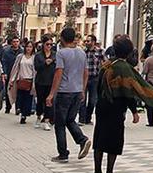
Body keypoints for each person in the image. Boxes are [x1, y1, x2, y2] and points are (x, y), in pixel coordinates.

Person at [92, 37, 140, 173]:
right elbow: (128, 91)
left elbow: (98, 87)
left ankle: (97, 172)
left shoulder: (106, 65)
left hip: (102, 105)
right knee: (114, 141)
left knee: (99, 138)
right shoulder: (125, 69)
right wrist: (134, 111)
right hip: (116, 108)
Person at [48, 27, 91, 162]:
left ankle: (63, 153)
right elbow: (85, 73)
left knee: (60, 124)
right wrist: (83, 90)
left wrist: (51, 94)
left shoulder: (61, 53)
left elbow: (58, 73)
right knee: (70, 119)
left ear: (62, 38)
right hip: (77, 90)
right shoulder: (81, 53)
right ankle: (82, 140)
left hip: (64, 91)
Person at [10, 40, 37, 124]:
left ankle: (24, 115)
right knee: (19, 97)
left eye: (30, 47)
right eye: (27, 46)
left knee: (27, 98)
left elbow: (35, 70)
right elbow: (16, 68)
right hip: (20, 79)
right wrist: (12, 79)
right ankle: (19, 109)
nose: (28, 48)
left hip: (29, 80)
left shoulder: (34, 58)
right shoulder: (20, 56)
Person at [33, 37, 57, 130]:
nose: (49, 46)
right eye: (47, 44)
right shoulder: (38, 55)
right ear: (43, 44)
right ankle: (39, 117)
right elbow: (36, 67)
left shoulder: (54, 55)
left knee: (49, 101)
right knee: (40, 101)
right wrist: (44, 63)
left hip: (51, 81)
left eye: (51, 44)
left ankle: (47, 120)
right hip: (40, 81)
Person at [81, 36, 104, 124]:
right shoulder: (83, 52)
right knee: (82, 99)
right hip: (83, 77)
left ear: (93, 42)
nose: (86, 42)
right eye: (86, 41)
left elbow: (105, 63)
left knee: (92, 100)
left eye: (88, 41)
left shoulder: (100, 52)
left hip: (94, 78)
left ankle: (88, 118)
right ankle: (82, 119)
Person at [0, 37, 20, 114]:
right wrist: (4, 73)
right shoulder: (7, 52)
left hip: (19, 74)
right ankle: (8, 107)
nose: (16, 43)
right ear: (11, 43)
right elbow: (4, 62)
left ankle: (18, 108)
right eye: (14, 41)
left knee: (18, 92)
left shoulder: (22, 51)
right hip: (9, 73)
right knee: (8, 91)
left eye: (17, 41)